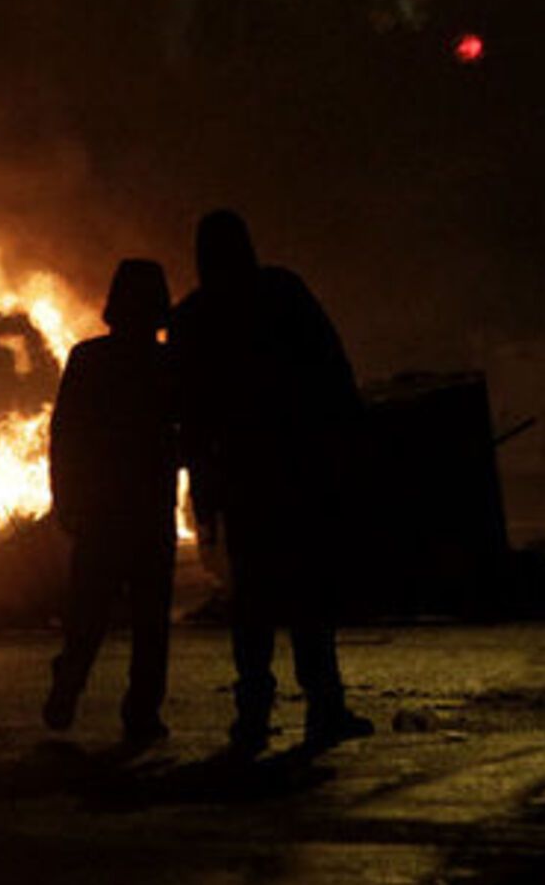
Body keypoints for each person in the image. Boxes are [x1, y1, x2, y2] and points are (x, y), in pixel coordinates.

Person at [168, 210, 373, 758]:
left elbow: (185, 414)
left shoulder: (192, 317)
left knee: (253, 603)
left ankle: (254, 718)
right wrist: (348, 448)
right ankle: (323, 708)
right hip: (296, 472)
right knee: (307, 596)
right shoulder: (282, 293)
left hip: (244, 479)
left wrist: (202, 491)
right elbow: (332, 371)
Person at [42, 259, 180, 746]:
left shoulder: (88, 358)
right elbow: (184, 433)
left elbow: (65, 435)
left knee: (89, 611)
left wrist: (65, 496)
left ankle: (69, 680)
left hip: (102, 509)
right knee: (149, 621)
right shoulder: (167, 365)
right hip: (146, 508)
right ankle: (141, 714)